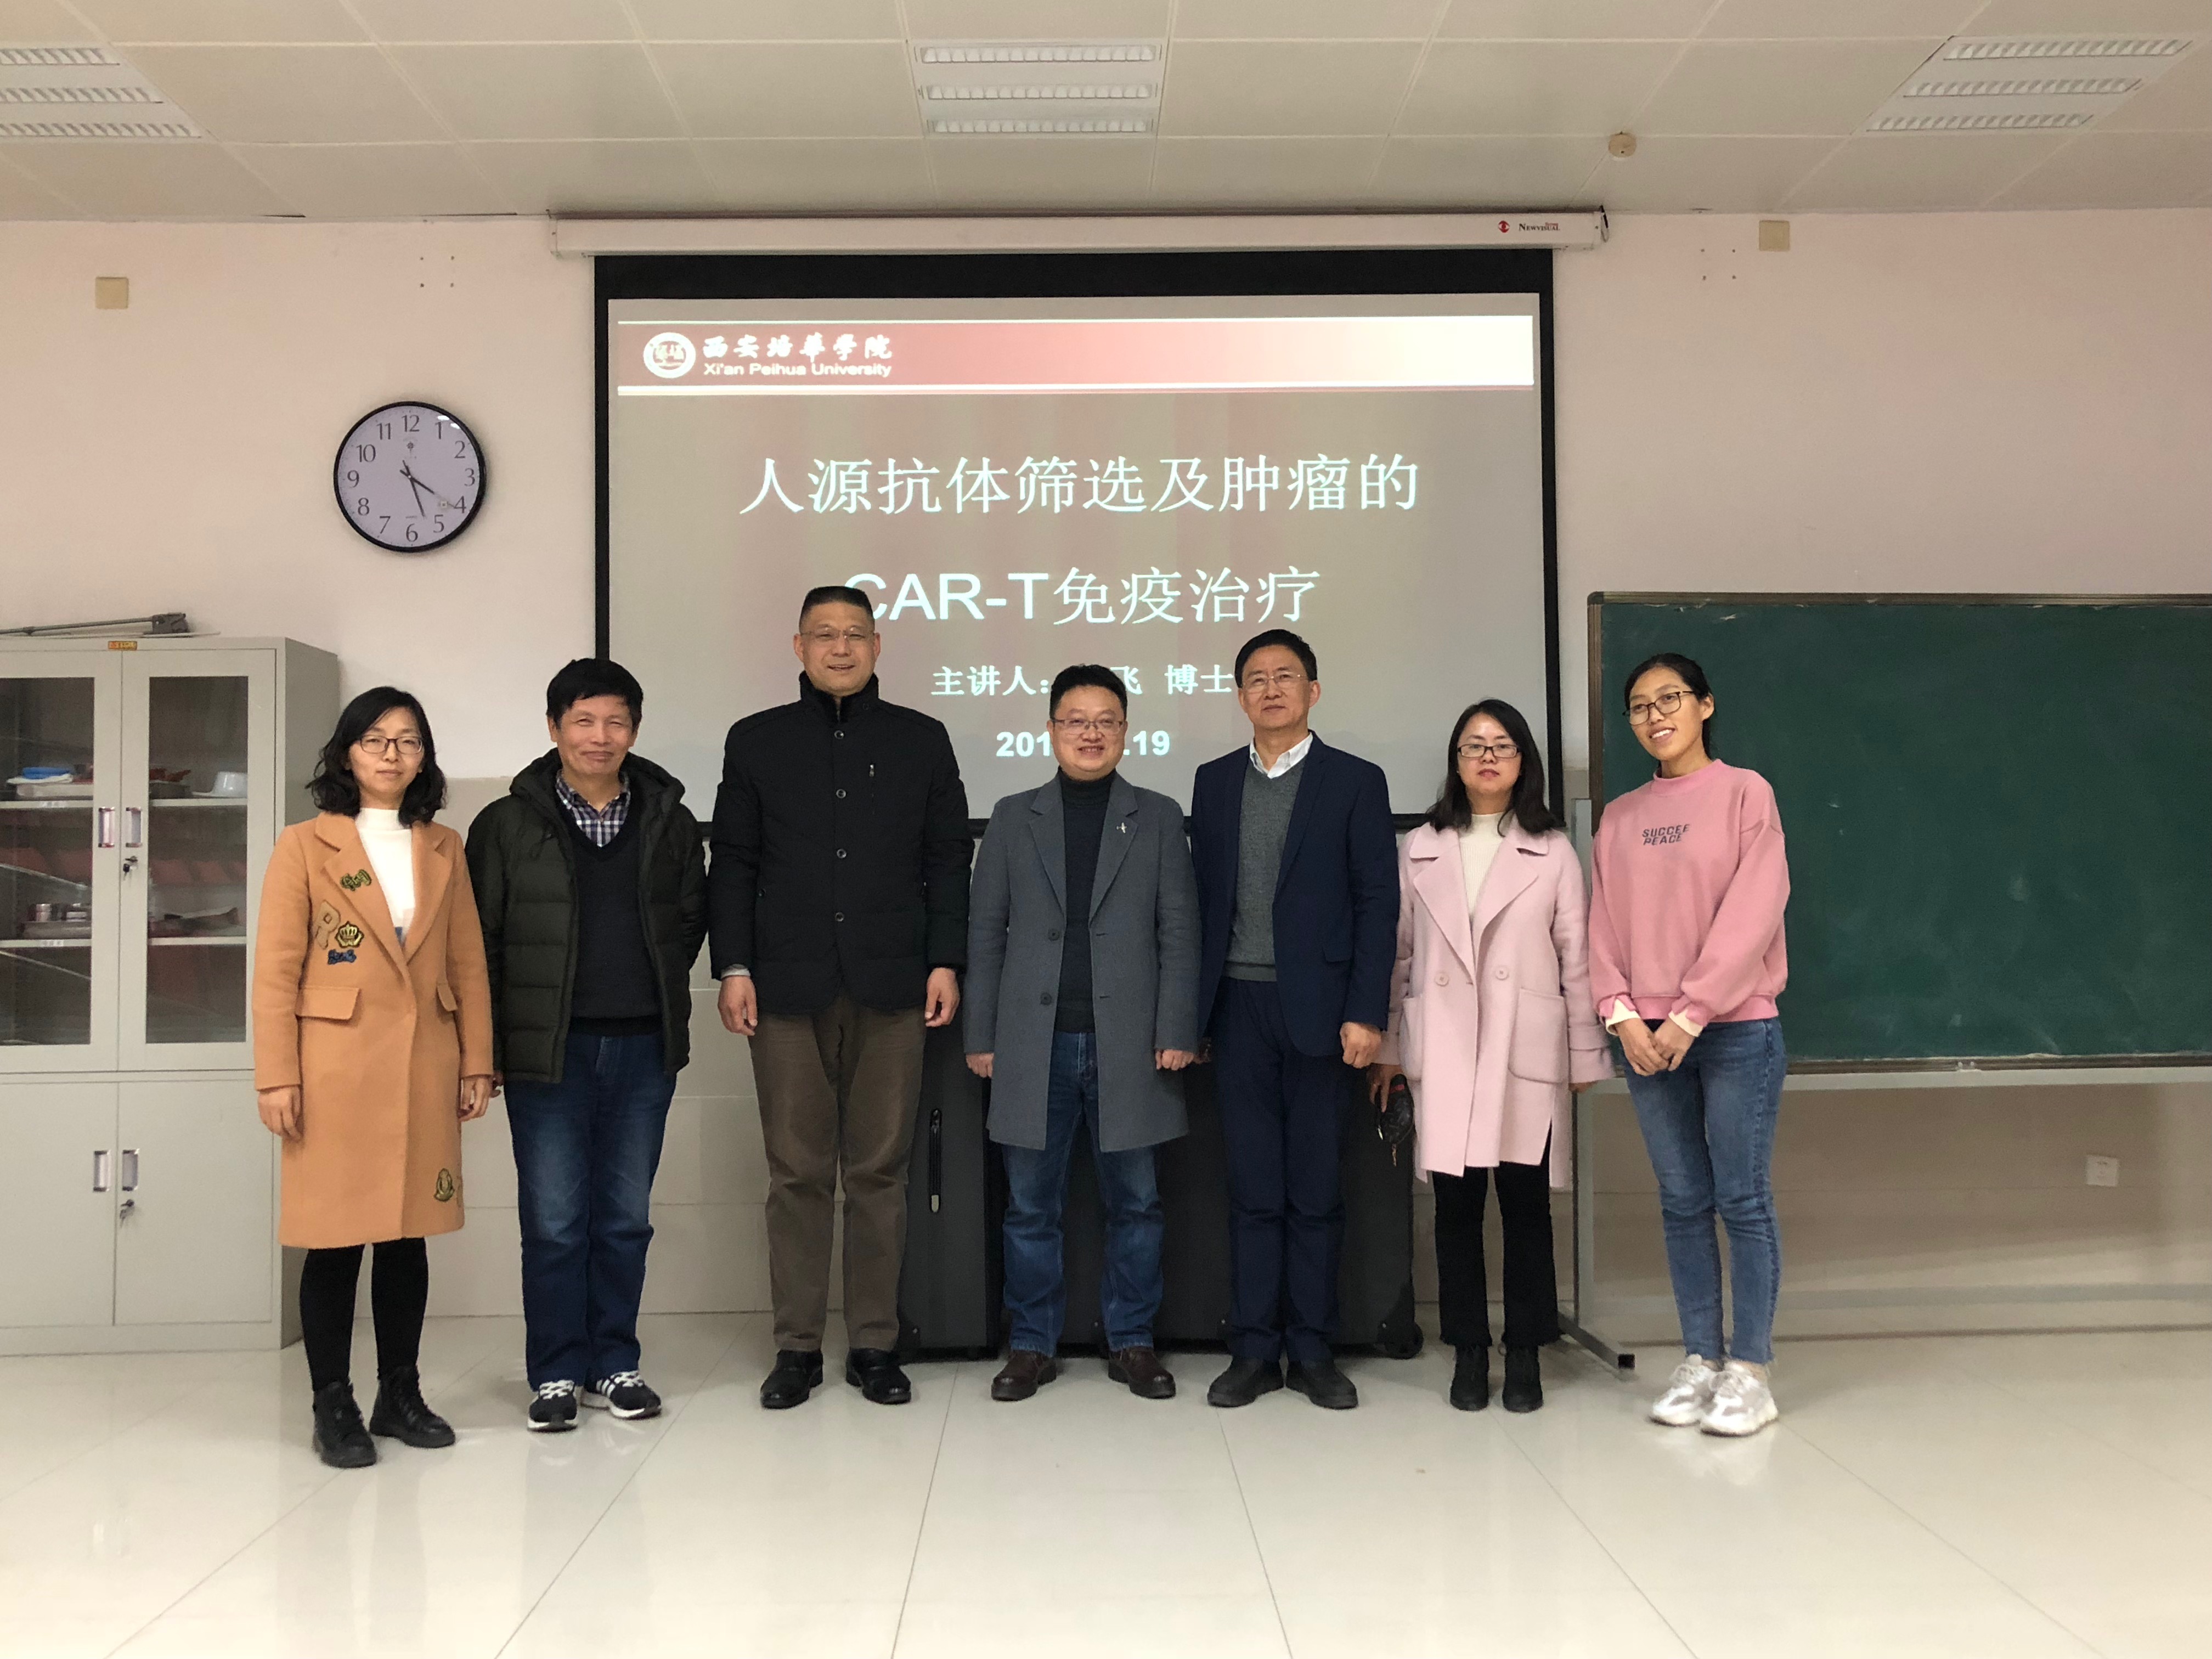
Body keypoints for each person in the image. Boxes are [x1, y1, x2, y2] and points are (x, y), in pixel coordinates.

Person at [710, 585, 972, 1408]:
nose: (840, 647)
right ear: (798, 647)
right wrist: (733, 966)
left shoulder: (921, 739)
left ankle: (873, 1345)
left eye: (855, 634)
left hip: (895, 984)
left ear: (878, 645)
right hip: (784, 985)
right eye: (823, 634)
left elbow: (946, 859)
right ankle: (796, 1348)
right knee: (796, 1172)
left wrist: (946, 960)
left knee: (879, 1171)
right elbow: (734, 861)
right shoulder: (756, 741)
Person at [252, 689, 493, 1469]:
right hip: (333, 1069)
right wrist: (276, 1076)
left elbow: (467, 961)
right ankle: (333, 1403)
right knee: (332, 1241)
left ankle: (400, 1394)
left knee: (405, 1236)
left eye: (409, 741)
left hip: (424, 1063)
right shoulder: (305, 845)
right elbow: (276, 969)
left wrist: (478, 1060)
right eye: (376, 740)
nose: (393, 754)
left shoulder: (443, 846)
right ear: (347, 753)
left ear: (425, 758)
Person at [466, 658, 707, 1433]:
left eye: (615, 722)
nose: (600, 737)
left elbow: (689, 922)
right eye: (583, 721)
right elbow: (481, 943)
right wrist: (487, 1048)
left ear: (634, 730)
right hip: (548, 1052)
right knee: (555, 1222)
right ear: (554, 728)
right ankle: (556, 1373)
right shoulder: (506, 825)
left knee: (625, 1219)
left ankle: (615, 1363)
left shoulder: (669, 818)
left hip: (643, 1047)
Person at [965, 665, 1201, 1403]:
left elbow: (1180, 931)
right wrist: (981, 1035)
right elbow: (986, 933)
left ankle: (1132, 1339)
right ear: (1051, 730)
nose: (1091, 733)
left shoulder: (1157, 816)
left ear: (1126, 732)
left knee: (1137, 1203)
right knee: (1030, 1206)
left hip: (1131, 1044)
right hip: (1031, 1043)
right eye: (1076, 720)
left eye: (1106, 721)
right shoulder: (1013, 817)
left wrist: (1177, 1027)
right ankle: (1032, 1344)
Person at [1371, 699, 1611, 1413]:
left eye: (1501, 745)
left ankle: (1527, 1350)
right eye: (1473, 746)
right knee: (1455, 1209)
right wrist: (1390, 1047)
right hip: (1445, 1046)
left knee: (1526, 1207)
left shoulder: (1553, 849)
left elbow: (1576, 958)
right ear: (1456, 760)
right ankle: (1469, 1351)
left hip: (1522, 1046)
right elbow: (1399, 955)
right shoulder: (1420, 847)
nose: (1486, 757)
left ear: (1522, 761)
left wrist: (1583, 1054)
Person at [1188, 629, 1398, 1410]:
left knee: (1314, 1190)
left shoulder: (1356, 781)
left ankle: (1312, 1350)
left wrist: (1366, 1011)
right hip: (1237, 1008)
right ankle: (1253, 1350)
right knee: (1252, 1189)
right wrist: (1193, 1015)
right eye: (1256, 678)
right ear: (1240, 696)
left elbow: (1378, 903)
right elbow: (1202, 901)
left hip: (1322, 1013)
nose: (1271, 689)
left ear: (1313, 691)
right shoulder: (1213, 781)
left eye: (1286, 676)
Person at [1589, 652, 1790, 1438]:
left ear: (1705, 705)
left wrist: (1691, 1011)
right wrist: (1620, 1014)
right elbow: (1602, 923)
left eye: (1669, 699)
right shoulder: (1619, 817)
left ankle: (1751, 1373)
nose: (1655, 716)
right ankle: (1701, 1358)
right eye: (1640, 706)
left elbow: (1756, 908)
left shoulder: (1746, 793)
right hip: (1646, 1039)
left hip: (1734, 1028)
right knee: (1681, 1200)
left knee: (1742, 1198)